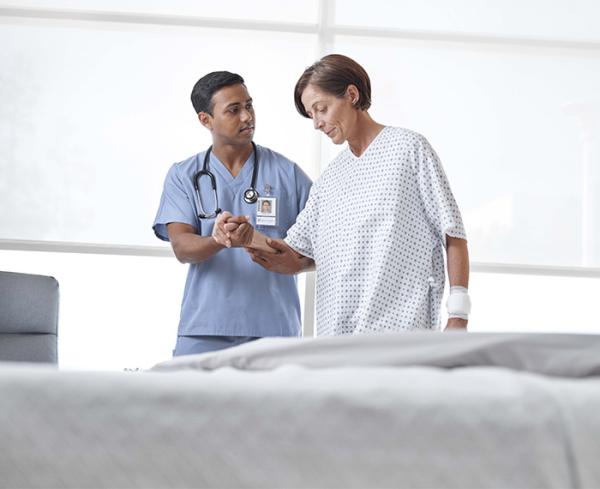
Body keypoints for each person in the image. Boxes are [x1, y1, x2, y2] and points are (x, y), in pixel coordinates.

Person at [222, 54, 470, 334]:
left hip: (401, 331)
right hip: (336, 336)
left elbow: (452, 232)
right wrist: (248, 237)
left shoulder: (408, 149)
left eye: (321, 108)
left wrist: (458, 315)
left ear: (351, 94)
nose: (316, 122)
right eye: (311, 114)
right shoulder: (330, 178)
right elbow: (294, 254)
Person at [153, 71, 312, 356]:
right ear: (206, 120)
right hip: (205, 329)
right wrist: (217, 239)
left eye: (249, 106)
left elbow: (325, 247)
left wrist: (295, 262)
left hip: (274, 331)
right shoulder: (183, 175)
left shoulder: (288, 173)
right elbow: (182, 248)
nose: (247, 117)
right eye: (233, 110)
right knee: (187, 400)